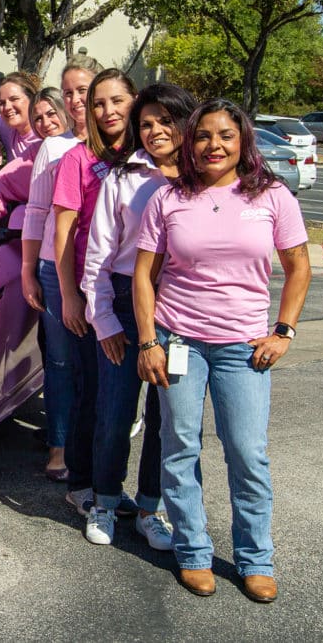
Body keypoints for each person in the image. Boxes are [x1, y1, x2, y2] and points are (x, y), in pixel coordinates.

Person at [134, 98, 311, 602]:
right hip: (179, 341)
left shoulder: (272, 197)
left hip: (244, 348)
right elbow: (144, 276)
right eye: (204, 136)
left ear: (243, 141)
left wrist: (284, 331)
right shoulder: (169, 199)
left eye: (226, 135)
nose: (214, 145)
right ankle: (192, 552)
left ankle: (256, 559)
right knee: (179, 449)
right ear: (191, 143)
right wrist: (149, 340)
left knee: (247, 454)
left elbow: (298, 267)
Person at [79, 83, 197, 549]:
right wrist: (104, 320)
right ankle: (105, 502)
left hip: (184, 307)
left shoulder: (201, 180)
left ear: (185, 122)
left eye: (165, 121)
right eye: (145, 124)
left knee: (169, 416)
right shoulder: (121, 178)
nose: (154, 131)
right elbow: (97, 260)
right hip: (127, 304)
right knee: (115, 410)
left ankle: (151, 508)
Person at [52, 68, 137, 521]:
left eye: (116, 101)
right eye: (98, 103)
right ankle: (81, 483)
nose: (106, 112)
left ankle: (111, 484)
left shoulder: (148, 155)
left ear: (134, 100)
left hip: (137, 291)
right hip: (91, 292)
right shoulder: (78, 160)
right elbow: (63, 233)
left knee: (121, 401)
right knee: (94, 392)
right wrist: (70, 296)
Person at [20, 56, 101, 481]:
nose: (74, 100)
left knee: (103, 364)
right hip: (56, 268)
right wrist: (28, 269)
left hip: (106, 270)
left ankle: (98, 448)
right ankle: (60, 444)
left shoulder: (126, 150)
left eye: (82, 90)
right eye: (67, 91)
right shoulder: (54, 147)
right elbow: (36, 212)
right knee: (63, 362)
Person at [0, 87, 68, 226]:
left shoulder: (87, 146)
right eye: (38, 119)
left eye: (52, 114)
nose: (46, 123)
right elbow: (4, 180)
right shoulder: (37, 152)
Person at [0, 72, 43, 175]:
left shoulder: (45, 133)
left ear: (32, 100)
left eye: (14, 99)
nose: (7, 107)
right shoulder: (9, 128)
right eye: (2, 103)